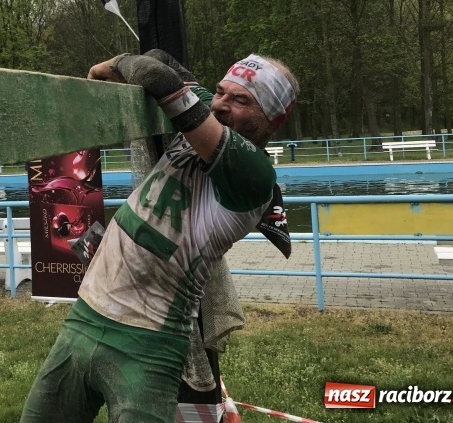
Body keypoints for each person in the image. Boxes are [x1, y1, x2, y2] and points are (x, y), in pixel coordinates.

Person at [20, 49, 299, 423]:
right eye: (220, 91)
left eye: (242, 100)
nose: (221, 105)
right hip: (84, 317)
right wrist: (144, 65)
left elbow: (158, 76)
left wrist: (106, 67)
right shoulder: (212, 112)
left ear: (272, 119)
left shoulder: (253, 173)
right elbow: (161, 59)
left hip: (148, 342)